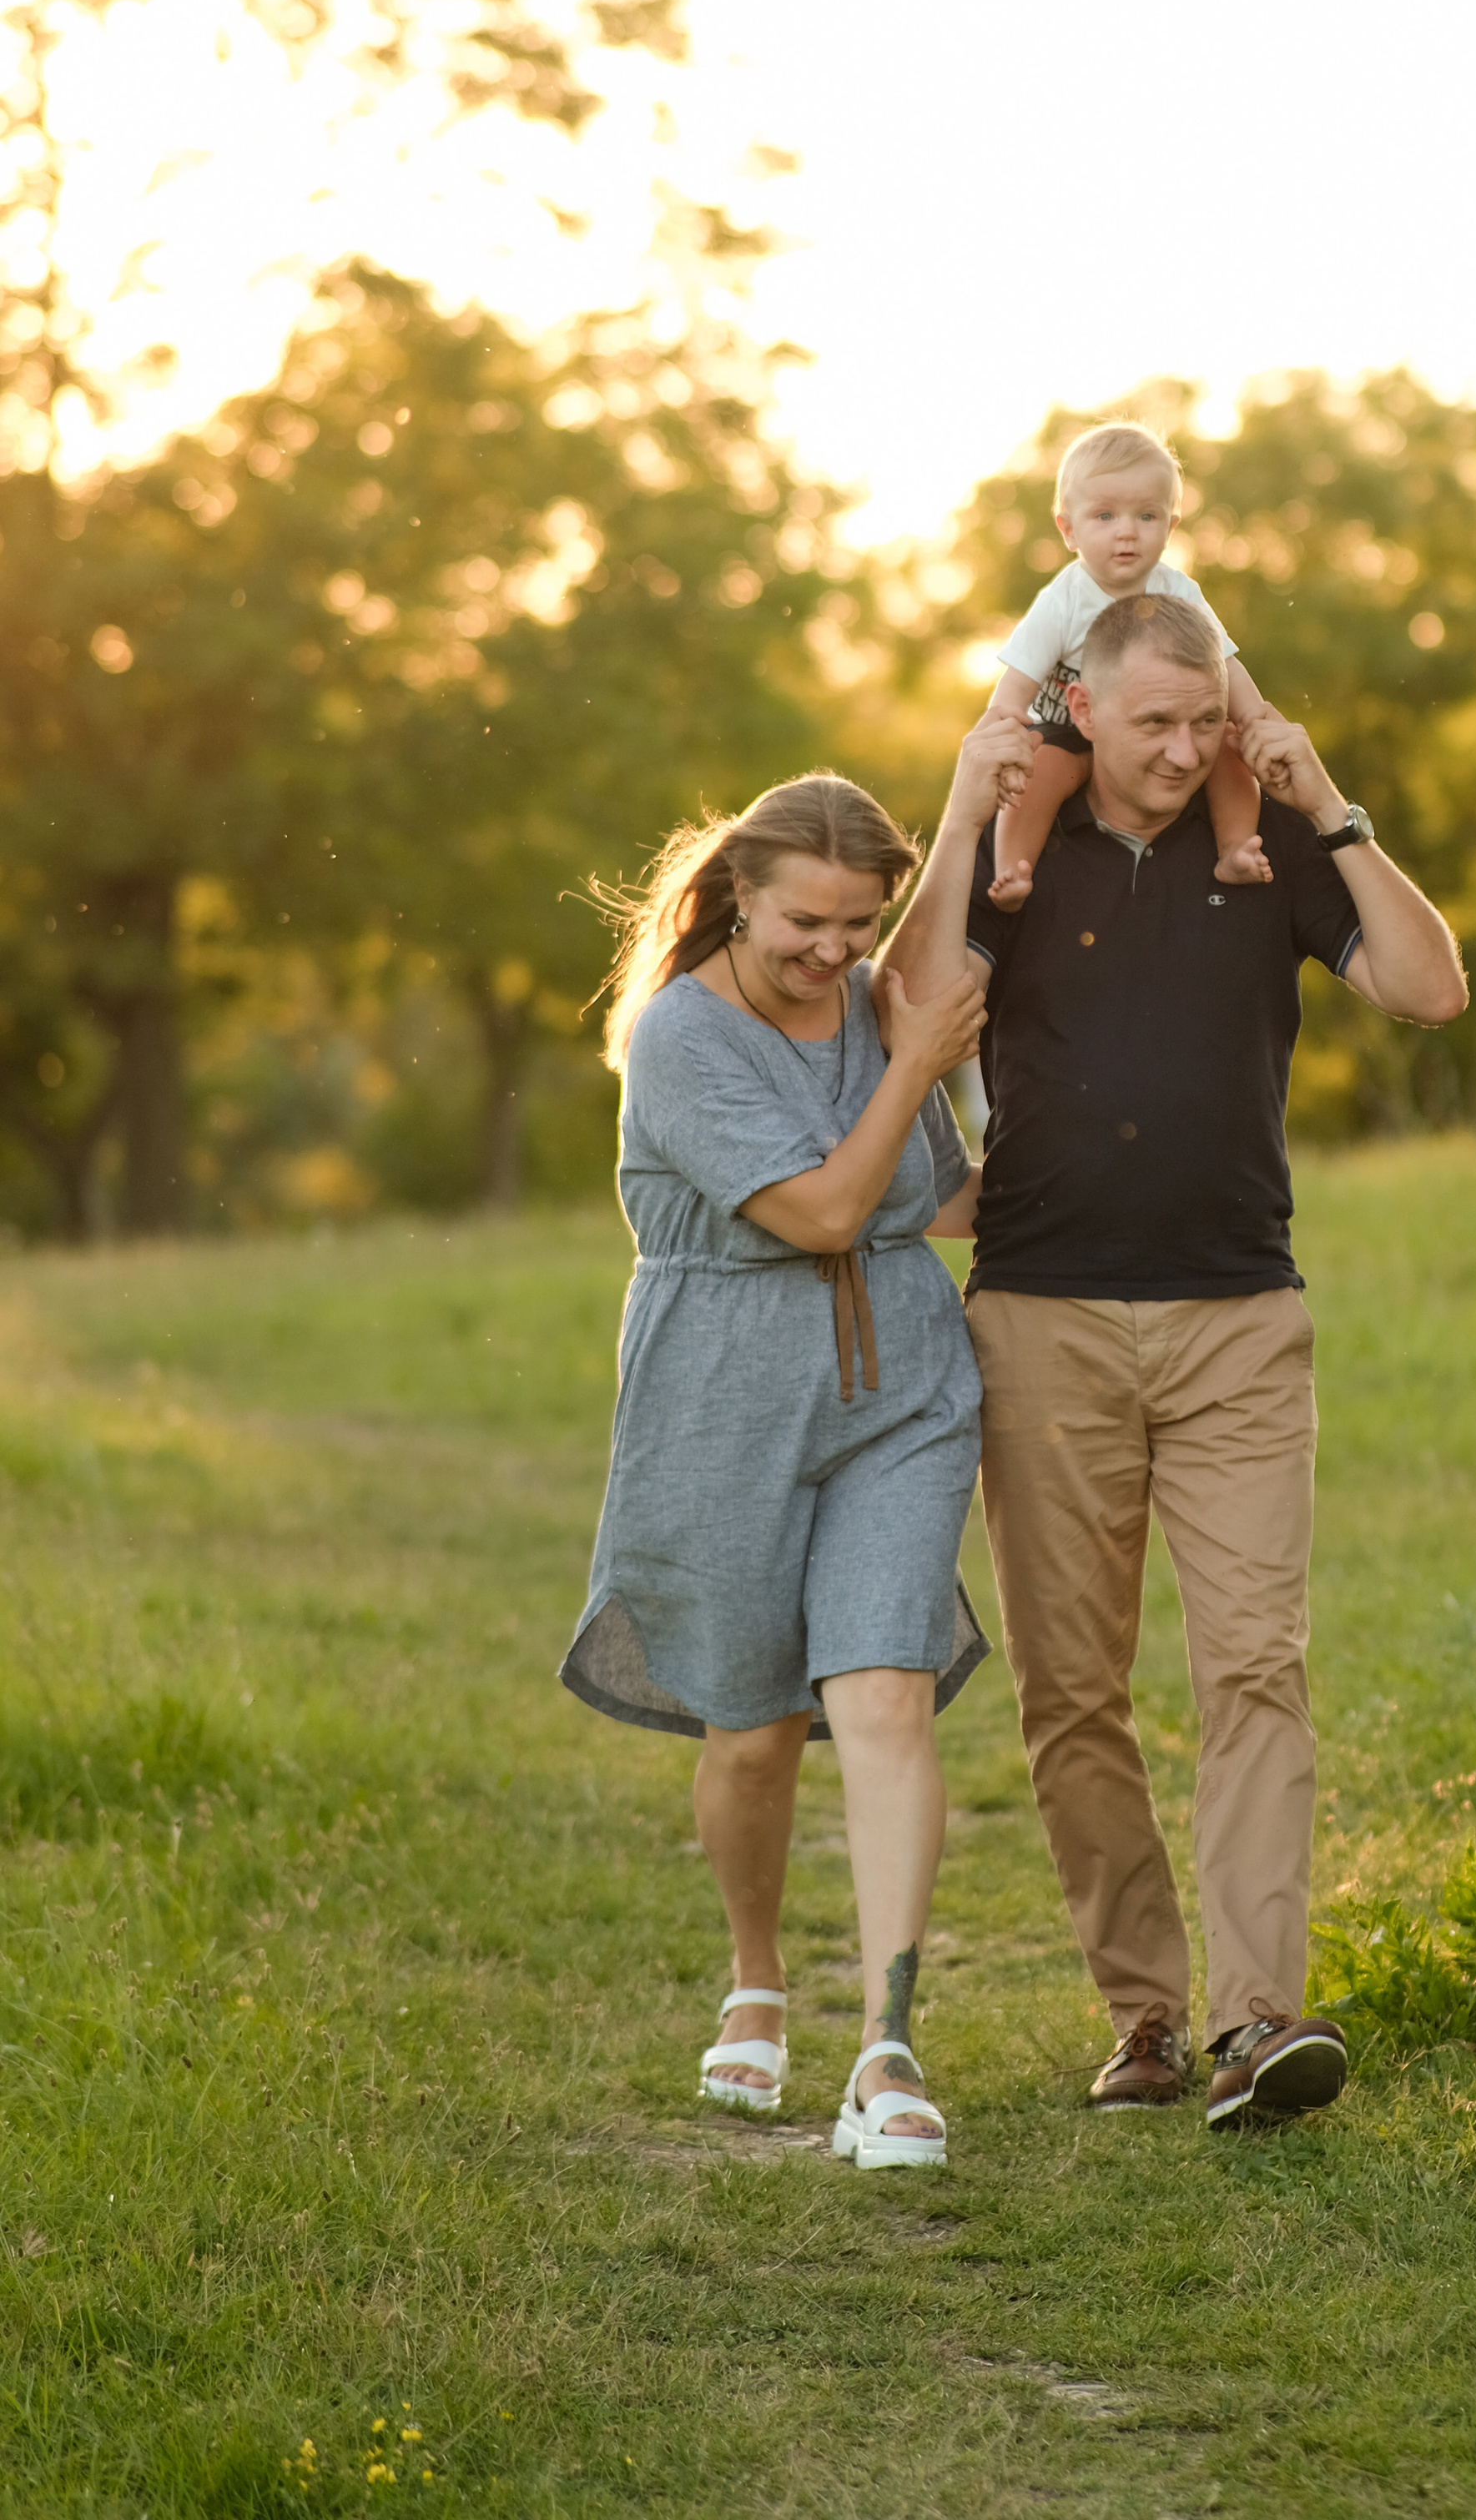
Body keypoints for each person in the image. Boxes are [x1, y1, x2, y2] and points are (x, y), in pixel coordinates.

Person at [886, 592, 1468, 2129]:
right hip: (1041, 1321)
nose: (1183, 749)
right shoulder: (1026, 854)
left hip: (1237, 1327)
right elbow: (903, 1001)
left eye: (1202, 720)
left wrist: (1324, 798)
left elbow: (1429, 986)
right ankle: (1143, 2015)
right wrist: (963, 805)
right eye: (1153, 722)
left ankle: (1260, 2018)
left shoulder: (1267, 853)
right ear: (1079, 706)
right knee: (1073, 1692)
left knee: (1256, 1667)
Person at [560, 772, 992, 2170]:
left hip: (901, 1391)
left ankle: (888, 2045)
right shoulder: (680, 1038)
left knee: (883, 1692)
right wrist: (918, 1061)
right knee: (750, 1727)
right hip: (722, 1396)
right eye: (808, 921)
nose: (835, 951)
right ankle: (758, 1974)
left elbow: (935, 1196)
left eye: (860, 925)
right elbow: (820, 1210)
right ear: (738, 894)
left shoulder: (878, 1002)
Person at [983, 421, 1278, 906]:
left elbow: (1224, 665)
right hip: (1067, 731)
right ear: (1068, 529)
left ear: (1171, 526)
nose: (1126, 532)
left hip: (1156, 728)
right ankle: (1013, 871)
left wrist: (1254, 717)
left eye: (1146, 516)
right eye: (1104, 516)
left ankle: (1236, 848)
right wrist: (1003, 737)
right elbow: (1015, 686)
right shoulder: (1063, 601)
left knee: (1228, 748)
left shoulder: (1179, 591)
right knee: (1043, 770)